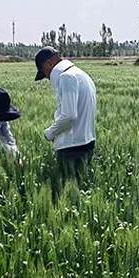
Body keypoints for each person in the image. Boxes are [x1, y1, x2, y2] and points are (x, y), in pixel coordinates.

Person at [34, 46, 97, 182]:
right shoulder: (81, 74)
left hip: (72, 148)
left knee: (68, 191)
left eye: (44, 73)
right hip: (86, 142)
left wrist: (50, 132)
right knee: (80, 189)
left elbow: (69, 115)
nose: (47, 77)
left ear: (49, 64)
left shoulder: (66, 77)